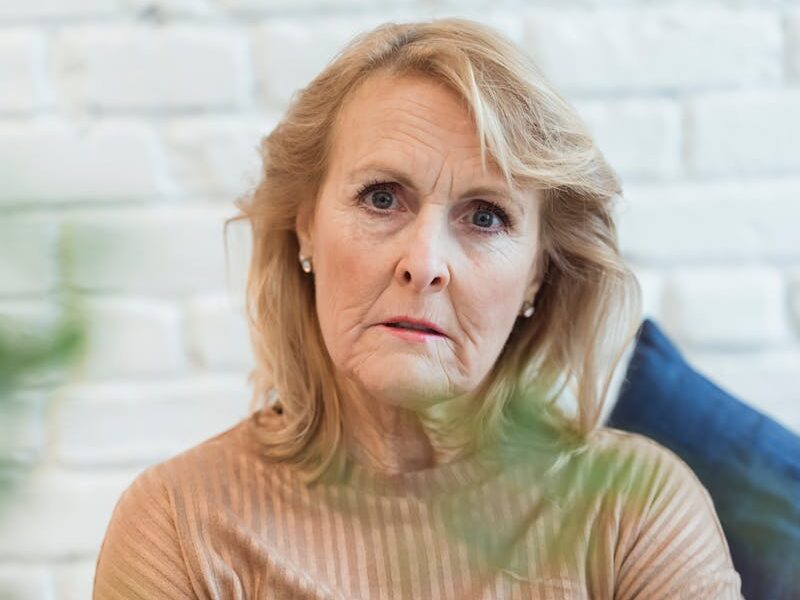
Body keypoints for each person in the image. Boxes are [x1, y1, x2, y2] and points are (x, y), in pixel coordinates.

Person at [93, 18, 743, 599]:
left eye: (485, 217)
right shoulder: (180, 524)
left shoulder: (637, 511)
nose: (424, 263)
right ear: (305, 228)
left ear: (537, 275)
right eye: (382, 198)